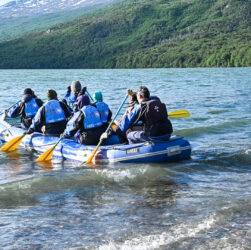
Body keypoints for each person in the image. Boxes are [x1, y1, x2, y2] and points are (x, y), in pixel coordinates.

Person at [102, 86, 173, 144]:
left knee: (129, 135)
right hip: (168, 133)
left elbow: (123, 125)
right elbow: (152, 97)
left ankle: (129, 149)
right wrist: (135, 94)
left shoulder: (140, 107)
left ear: (140, 96)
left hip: (153, 136)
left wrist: (110, 133)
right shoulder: (156, 101)